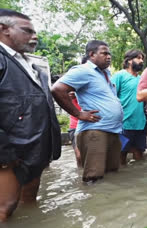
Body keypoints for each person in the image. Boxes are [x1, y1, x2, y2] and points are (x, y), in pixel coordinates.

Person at [0, 9, 61, 221]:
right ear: (4, 29)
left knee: (30, 200)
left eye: (35, 32)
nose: (34, 36)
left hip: (35, 147)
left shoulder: (33, 66)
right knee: (5, 208)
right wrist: (4, 154)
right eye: (27, 31)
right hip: (9, 151)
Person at [52, 40, 123, 183]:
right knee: (93, 178)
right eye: (104, 53)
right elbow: (57, 89)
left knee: (112, 175)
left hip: (113, 131)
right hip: (95, 131)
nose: (108, 56)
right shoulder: (83, 70)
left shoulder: (106, 74)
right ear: (92, 54)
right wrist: (78, 114)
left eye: (109, 54)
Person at [112, 49, 147, 165]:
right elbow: (111, 97)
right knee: (121, 154)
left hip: (140, 123)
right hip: (124, 123)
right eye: (138, 58)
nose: (141, 61)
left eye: (142, 58)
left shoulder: (142, 78)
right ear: (129, 60)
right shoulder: (119, 76)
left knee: (140, 153)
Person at [68, 91, 82, 169]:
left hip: (92, 125)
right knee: (79, 156)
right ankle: (80, 173)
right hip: (75, 126)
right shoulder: (69, 93)